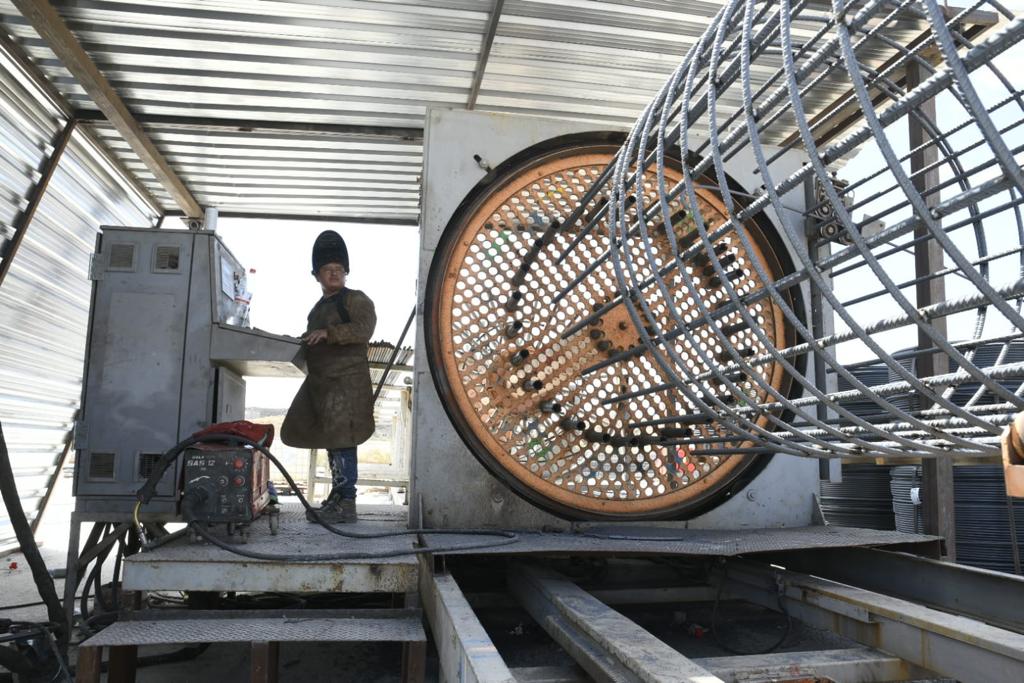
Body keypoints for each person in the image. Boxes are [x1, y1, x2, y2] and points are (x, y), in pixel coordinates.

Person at [281, 230, 376, 523]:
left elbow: (364, 329)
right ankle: (337, 496)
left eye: (339, 270)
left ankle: (347, 503)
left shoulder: (356, 299)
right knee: (331, 441)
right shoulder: (318, 308)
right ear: (317, 275)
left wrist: (329, 333)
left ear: (346, 273)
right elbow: (317, 339)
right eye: (328, 270)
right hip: (323, 386)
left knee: (343, 440)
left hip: (347, 384)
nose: (334, 274)